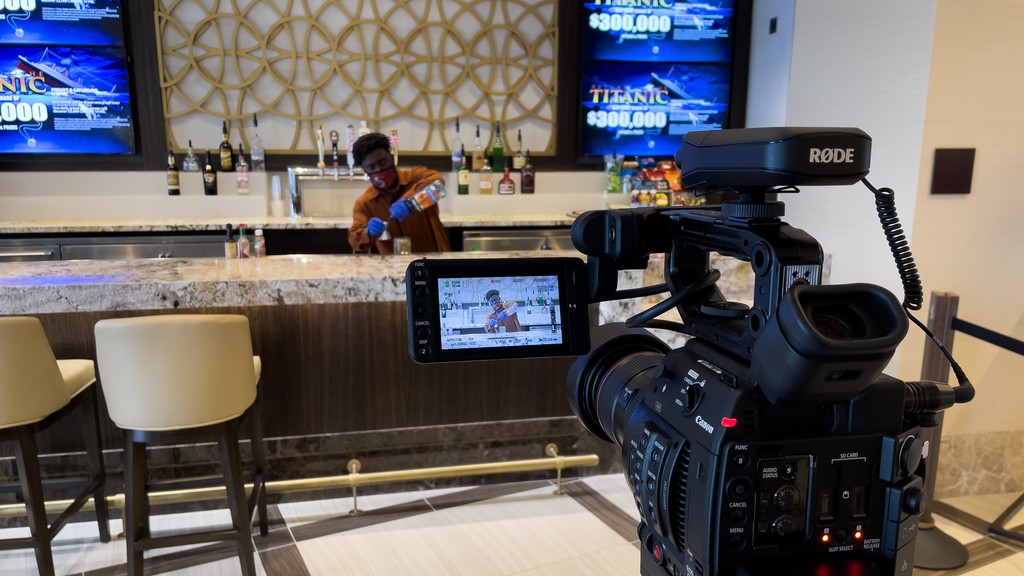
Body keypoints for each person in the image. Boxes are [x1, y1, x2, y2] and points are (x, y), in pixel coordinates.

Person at [347, 132, 451, 254]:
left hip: (434, 260)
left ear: (392, 158)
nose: (379, 169)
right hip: (394, 264)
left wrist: (409, 201)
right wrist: (368, 232)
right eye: (371, 167)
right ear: (365, 170)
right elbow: (355, 241)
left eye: (383, 162)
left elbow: (438, 183)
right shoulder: (365, 204)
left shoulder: (415, 177)